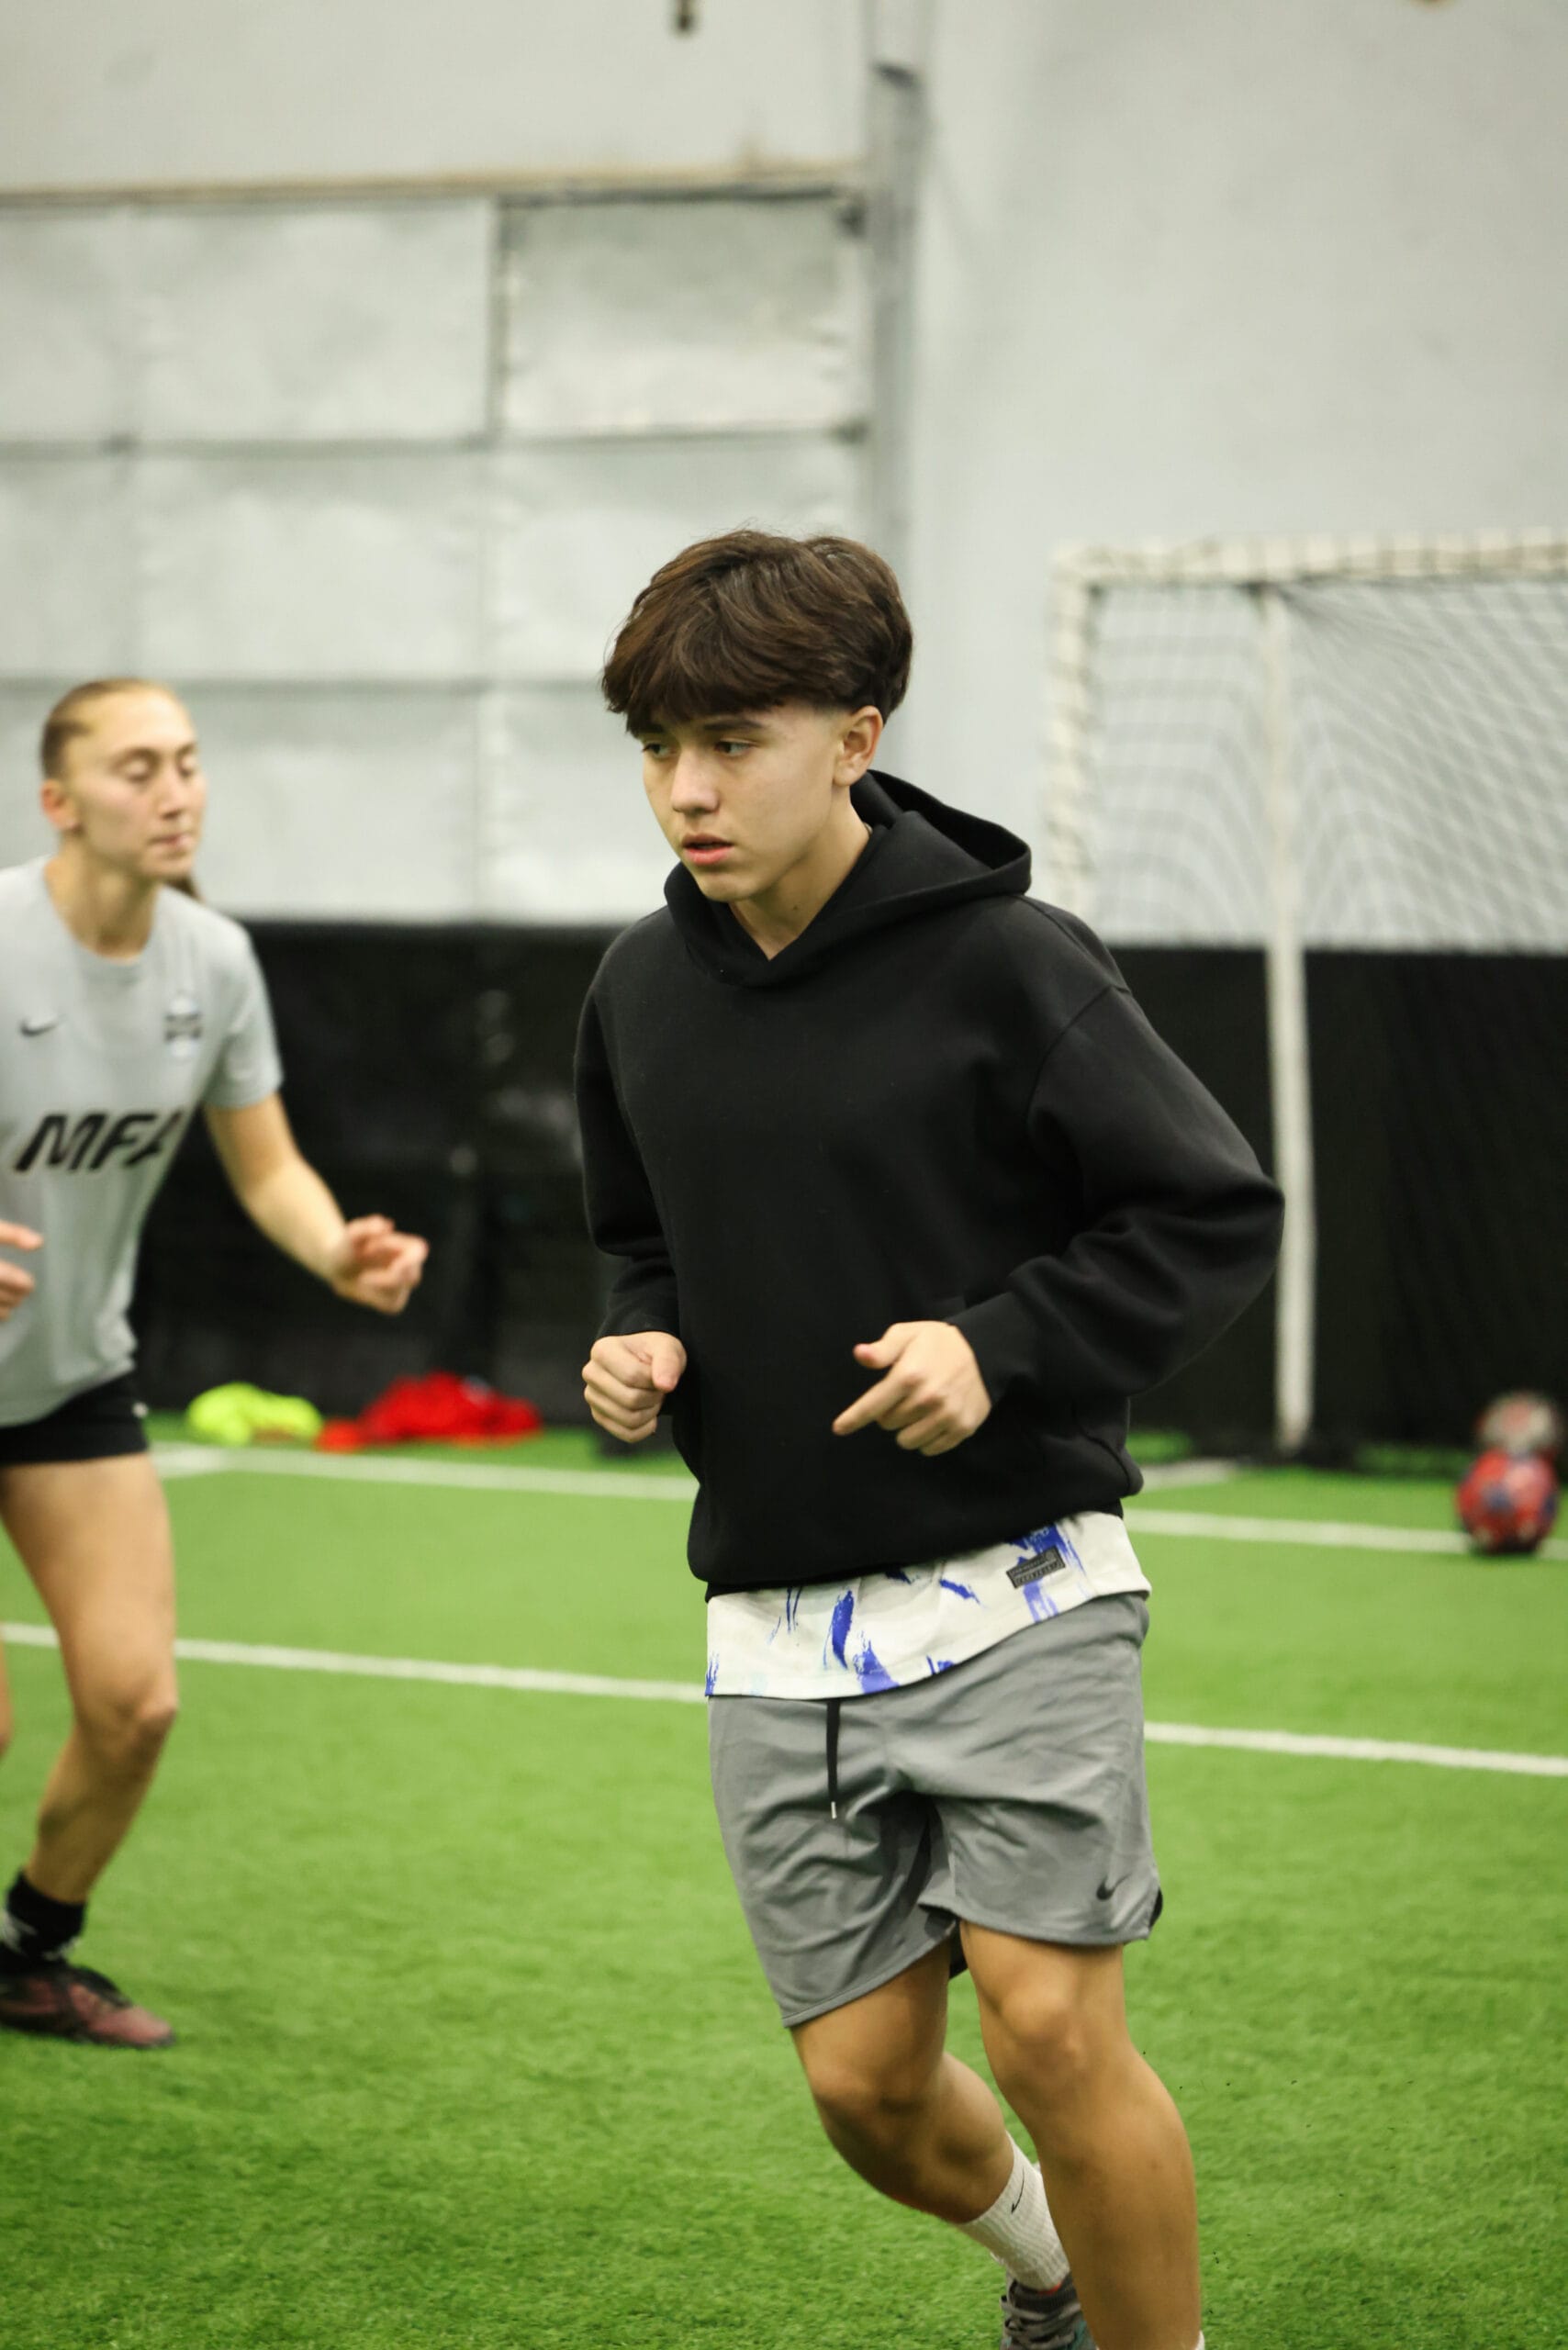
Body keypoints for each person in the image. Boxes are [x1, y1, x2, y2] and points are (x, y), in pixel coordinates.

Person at [576, 533, 1283, 2350]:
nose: (686, 789)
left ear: (855, 735)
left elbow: (1204, 1210)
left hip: (1020, 1582)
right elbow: (640, 1238)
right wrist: (642, 1336)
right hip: (775, 1625)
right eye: (657, 746)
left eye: (730, 741)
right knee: (867, 2093)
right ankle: (1054, 2272)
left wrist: (1000, 1346)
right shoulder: (635, 992)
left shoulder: (1009, 963)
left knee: (1049, 2028)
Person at [0, 678, 428, 2048]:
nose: (175, 790)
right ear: (60, 802)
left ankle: (28, 1954)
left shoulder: (216, 963)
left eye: (186, 762)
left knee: (134, 1704)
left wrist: (337, 1251)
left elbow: (269, 1167)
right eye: (136, 768)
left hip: (67, 1380)